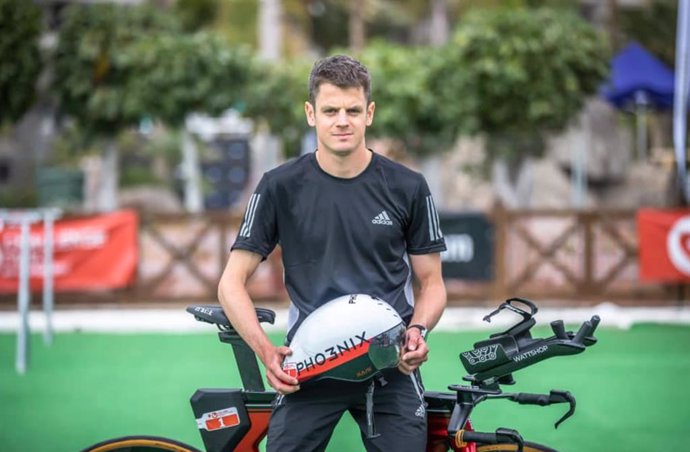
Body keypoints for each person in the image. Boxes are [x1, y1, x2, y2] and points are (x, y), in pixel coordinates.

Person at [217, 54, 447, 452]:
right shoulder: (279, 187)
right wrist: (266, 350)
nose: (342, 120)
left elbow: (432, 283)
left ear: (369, 114)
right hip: (310, 364)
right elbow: (231, 283)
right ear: (311, 114)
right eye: (330, 110)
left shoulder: (407, 186)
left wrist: (418, 331)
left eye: (353, 110)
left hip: (389, 362)